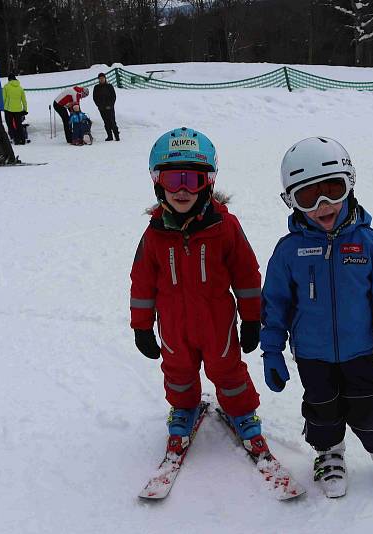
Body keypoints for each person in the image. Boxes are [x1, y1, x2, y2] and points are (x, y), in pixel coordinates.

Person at [260, 137, 373, 500]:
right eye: (307, 197)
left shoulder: (371, 245)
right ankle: (328, 453)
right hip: (312, 356)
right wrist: (271, 350)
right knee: (321, 409)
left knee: (370, 409)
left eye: (333, 189)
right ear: (291, 201)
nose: (322, 204)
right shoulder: (289, 251)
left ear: (350, 184)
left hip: (359, 350)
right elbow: (275, 304)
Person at [130, 127, 266, 457]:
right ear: (157, 181)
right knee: (177, 371)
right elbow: (142, 284)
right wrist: (142, 326)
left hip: (217, 322)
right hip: (173, 323)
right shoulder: (154, 234)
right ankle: (183, 408)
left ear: (208, 182)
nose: (181, 190)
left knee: (227, 369)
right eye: (173, 179)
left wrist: (251, 320)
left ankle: (242, 411)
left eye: (192, 180)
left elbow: (247, 276)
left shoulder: (225, 227)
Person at [92, 72, 119, 141]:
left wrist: (110, 105)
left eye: (102, 78)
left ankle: (117, 136)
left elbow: (113, 97)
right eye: (100, 78)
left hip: (110, 107)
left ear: (105, 78)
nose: (101, 80)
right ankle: (109, 136)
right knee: (106, 122)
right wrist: (99, 105)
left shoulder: (109, 86)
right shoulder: (96, 87)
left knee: (112, 121)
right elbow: (95, 98)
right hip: (102, 108)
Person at [2, 73, 28, 145]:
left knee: (10, 125)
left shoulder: (6, 87)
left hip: (8, 109)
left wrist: (2, 107)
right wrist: (25, 109)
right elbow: (24, 100)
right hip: (18, 109)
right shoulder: (20, 88)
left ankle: (16, 140)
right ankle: (22, 140)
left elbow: (3, 98)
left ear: (9, 79)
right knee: (19, 125)